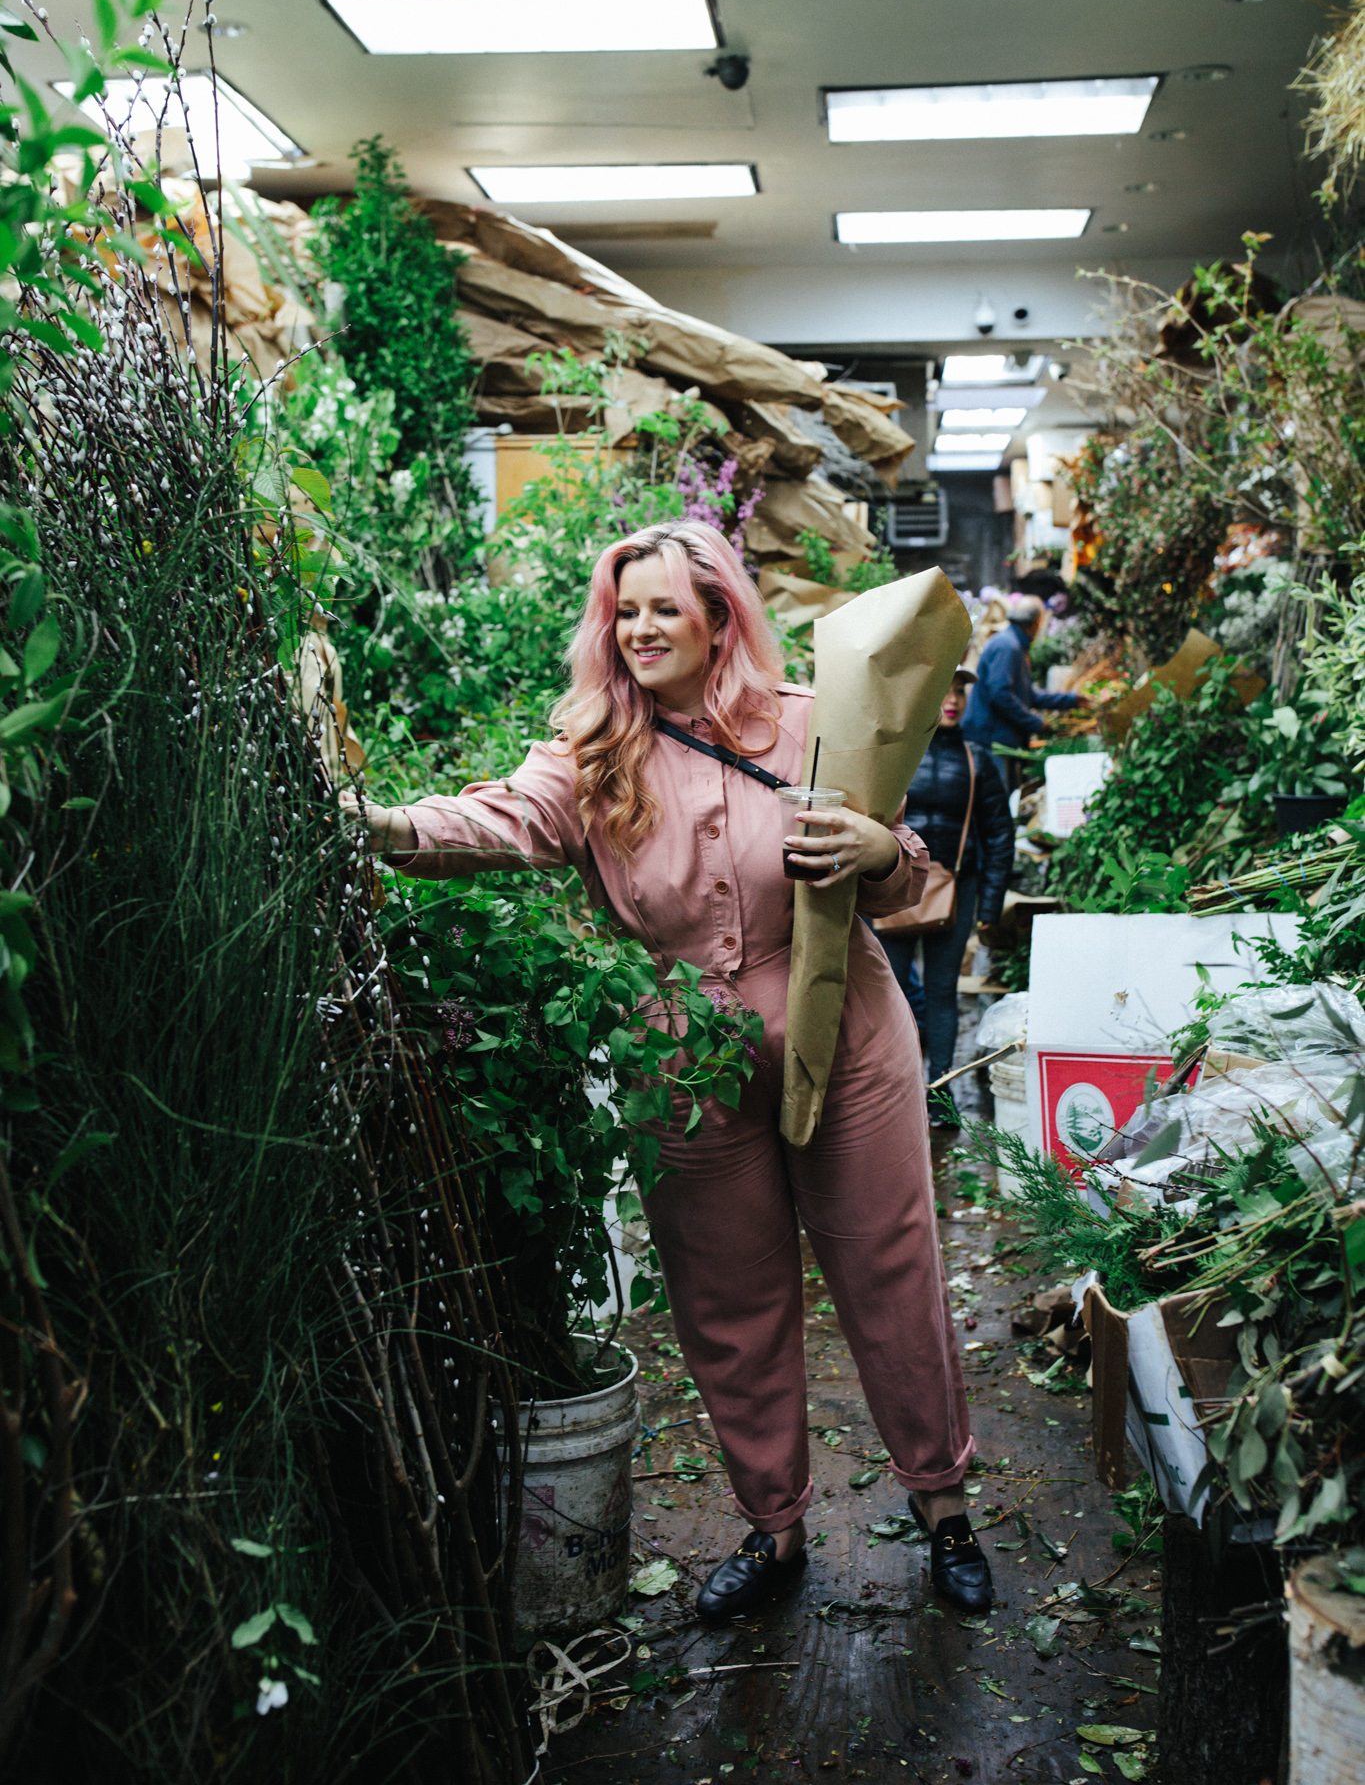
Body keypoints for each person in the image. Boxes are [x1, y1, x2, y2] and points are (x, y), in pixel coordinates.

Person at [342, 521, 992, 1621]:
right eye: (623, 610)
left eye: (663, 608)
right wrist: (385, 826)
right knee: (726, 1296)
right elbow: (503, 816)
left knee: (890, 1267)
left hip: (844, 1026)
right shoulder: (593, 751)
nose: (639, 628)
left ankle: (944, 1506)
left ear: (719, 617)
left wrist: (881, 852)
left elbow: (905, 863)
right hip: (678, 1048)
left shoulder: (807, 724)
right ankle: (774, 1527)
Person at [874, 667, 1014, 1113]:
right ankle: (897, 1086)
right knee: (888, 992)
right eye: (943, 691)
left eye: (959, 692)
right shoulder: (894, 754)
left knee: (941, 992)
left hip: (957, 891)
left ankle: (940, 1090)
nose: (952, 699)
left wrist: (990, 905)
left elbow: (999, 836)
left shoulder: (978, 760)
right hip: (895, 886)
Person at [960, 591, 1081, 789]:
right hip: (990, 741)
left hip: (998, 739)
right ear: (1035, 624)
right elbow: (1000, 694)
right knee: (997, 797)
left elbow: (1028, 695)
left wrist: (1072, 700)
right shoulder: (1008, 647)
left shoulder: (1014, 644)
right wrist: (1035, 723)